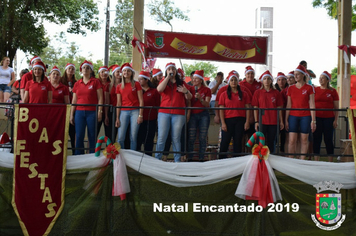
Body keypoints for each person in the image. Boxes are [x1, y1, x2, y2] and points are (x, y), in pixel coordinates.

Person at [155, 62, 192, 162]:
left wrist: (186, 91)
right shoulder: (164, 81)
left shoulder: (182, 83)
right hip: (164, 112)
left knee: (176, 137)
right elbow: (159, 89)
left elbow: (190, 97)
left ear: (176, 71)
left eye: (173, 69)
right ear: (166, 71)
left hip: (179, 114)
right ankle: (157, 160)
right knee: (162, 137)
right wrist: (167, 77)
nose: (171, 71)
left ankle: (177, 161)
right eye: (169, 69)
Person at [70, 60, 103, 155]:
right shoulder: (77, 83)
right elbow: (74, 100)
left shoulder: (95, 82)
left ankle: (92, 156)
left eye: (88, 68)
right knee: (79, 135)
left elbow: (100, 98)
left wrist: (100, 111)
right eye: (84, 68)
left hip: (92, 112)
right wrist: (72, 114)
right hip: (79, 112)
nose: (85, 69)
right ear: (81, 70)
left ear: (91, 71)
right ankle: (79, 156)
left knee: (92, 135)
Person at [285, 64, 316, 160]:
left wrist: (313, 120)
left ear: (303, 75)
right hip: (293, 116)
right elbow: (289, 105)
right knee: (292, 140)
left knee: (304, 139)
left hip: (305, 116)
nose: (296, 76)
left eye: (298, 74)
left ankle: (302, 161)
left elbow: (312, 104)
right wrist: (286, 119)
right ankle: (291, 160)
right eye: (295, 74)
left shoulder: (309, 88)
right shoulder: (291, 88)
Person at [219, 71, 250, 159]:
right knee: (225, 141)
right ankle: (221, 161)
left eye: (235, 80)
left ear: (238, 81)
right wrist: (223, 123)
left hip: (240, 120)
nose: (233, 82)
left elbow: (248, 109)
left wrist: (247, 121)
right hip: (228, 120)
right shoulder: (223, 94)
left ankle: (236, 162)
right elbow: (221, 109)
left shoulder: (244, 94)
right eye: (231, 80)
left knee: (238, 142)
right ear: (229, 82)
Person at [252, 70, 284, 153]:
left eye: (268, 79)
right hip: (262, 121)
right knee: (260, 142)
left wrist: (281, 121)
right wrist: (256, 121)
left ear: (271, 81)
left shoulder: (276, 93)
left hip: (273, 121)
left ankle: (270, 160)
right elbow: (255, 107)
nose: (266, 80)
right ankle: (259, 160)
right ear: (262, 81)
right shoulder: (257, 92)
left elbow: (279, 108)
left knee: (271, 142)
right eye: (265, 78)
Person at [115, 63, 144, 150]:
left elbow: (141, 100)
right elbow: (118, 103)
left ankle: (132, 158)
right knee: (120, 137)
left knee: (133, 137)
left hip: (135, 111)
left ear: (131, 73)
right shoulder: (119, 86)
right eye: (124, 71)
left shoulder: (137, 84)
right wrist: (117, 118)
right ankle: (122, 157)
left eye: (128, 71)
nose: (126, 72)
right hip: (123, 112)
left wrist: (140, 115)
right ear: (122, 73)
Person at [313, 71, 339, 162]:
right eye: (319, 78)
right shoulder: (315, 90)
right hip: (317, 118)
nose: (320, 80)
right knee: (317, 138)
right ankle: (316, 160)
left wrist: (336, 120)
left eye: (322, 78)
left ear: (328, 80)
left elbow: (336, 107)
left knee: (328, 139)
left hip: (329, 118)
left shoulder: (333, 91)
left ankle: (330, 161)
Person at [188, 70, 211, 161]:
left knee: (202, 137)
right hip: (193, 114)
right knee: (191, 137)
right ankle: (190, 157)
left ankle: (201, 158)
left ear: (201, 80)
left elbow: (207, 104)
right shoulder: (190, 89)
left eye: (196, 78)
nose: (194, 80)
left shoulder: (207, 90)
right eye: (193, 78)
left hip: (203, 114)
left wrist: (201, 99)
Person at [136, 71, 160, 156]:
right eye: (138, 79)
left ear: (146, 80)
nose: (139, 81)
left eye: (141, 79)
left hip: (151, 119)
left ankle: (148, 159)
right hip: (138, 119)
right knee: (138, 139)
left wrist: (158, 119)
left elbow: (158, 105)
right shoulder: (137, 91)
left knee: (149, 140)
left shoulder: (154, 91)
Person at [61, 63, 77, 152]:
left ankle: (75, 151)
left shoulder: (76, 82)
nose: (70, 71)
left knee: (73, 131)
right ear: (66, 70)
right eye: (69, 69)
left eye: (72, 69)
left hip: (73, 108)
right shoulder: (61, 81)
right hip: (63, 109)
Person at [106, 64, 122, 142]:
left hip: (122, 110)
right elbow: (107, 101)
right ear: (113, 73)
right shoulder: (109, 86)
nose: (119, 73)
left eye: (120, 72)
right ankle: (109, 151)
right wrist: (106, 114)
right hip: (112, 110)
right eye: (117, 72)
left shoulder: (124, 85)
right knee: (110, 133)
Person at [97, 66, 111, 137]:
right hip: (97, 110)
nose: (104, 74)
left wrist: (106, 115)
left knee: (108, 135)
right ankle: (92, 148)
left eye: (105, 72)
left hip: (108, 111)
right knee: (94, 134)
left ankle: (109, 148)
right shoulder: (96, 83)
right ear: (99, 73)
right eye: (102, 72)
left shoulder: (110, 84)